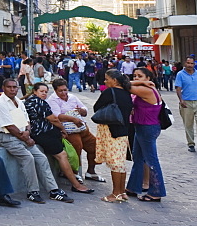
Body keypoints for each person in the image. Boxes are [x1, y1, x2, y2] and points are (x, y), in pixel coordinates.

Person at [0, 78, 73, 204]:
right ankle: (33, 192)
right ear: (4, 88)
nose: (12, 89)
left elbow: (27, 120)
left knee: (41, 158)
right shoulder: (0, 104)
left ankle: (53, 190)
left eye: (15, 87)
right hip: (7, 138)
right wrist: (25, 137)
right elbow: (9, 126)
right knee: (28, 158)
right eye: (9, 87)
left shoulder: (18, 101)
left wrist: (28, 132)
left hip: (24, 136)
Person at [23, 83, 92, 194]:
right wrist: (62, 129)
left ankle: (73, 180)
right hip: (44, 133)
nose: (44, 94)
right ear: (35, 91)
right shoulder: (39, 102)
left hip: (39, 132)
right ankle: (76, 184)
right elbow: (53, 119)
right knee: (62, 155)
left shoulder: (30, 101)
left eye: (46, 91)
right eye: (41, 91)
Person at [46, 78, 103, 184]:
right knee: (77, 148)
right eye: (60, 91)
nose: (64, 93)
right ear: (55, 90)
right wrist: (72, 118)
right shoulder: (52, 100)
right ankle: (74, 172)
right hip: (69, 131)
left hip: (81, 128)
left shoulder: (72, 97)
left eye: (65, 90)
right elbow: (57, 116)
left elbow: (84, 109)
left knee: (94, 146)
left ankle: (91, 171)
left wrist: (82, 111)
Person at [125, 68, 166, 202]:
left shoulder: (146, 90)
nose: (136, 78)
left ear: (148, 78)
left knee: (151, 160)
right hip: (141, 127)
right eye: (135, 76)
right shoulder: (144, 89)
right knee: (138, 158)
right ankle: (133, 187)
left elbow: (122, 84)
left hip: (147, 128)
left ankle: (156, 191)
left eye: (140, 76)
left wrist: (135, 83)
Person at [93, 69, 134, 203]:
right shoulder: (127, 93)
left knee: (115, 162)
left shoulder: (110, 92)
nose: (105, 81)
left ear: (114, 80)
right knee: (120, 163)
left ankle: (115, 193)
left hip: (111, 130)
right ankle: (121, 192)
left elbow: (97, 107)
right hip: (124, 130)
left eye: (107, 79)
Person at [174, 56, 197, 155]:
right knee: (188, 124)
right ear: (185, 63)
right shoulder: (180, 74)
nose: (190, 65)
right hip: (186, 102)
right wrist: (181, 100)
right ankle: (191, 144)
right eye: (188, 63)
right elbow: (178, 88)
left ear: (194, 64)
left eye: (192, 63)